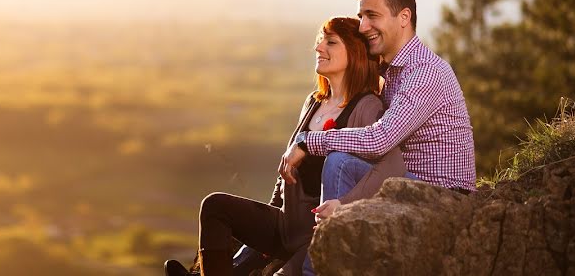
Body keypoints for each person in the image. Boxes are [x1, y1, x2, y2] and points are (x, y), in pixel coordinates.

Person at [165, 16, 405, 276]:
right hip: (286, 222)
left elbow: (387, 170)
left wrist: (343, 204)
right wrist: (259, 233)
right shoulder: (313, 103)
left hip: (314, 231)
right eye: (319, 40)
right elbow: (286, 177)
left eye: (331, 42)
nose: (319, 47)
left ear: (356, 53)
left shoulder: (367, 107)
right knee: (214, 207)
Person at [278, 0, 476, 275]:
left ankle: (313, 269)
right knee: (342, 163)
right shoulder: (391, 71)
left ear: (404, 18)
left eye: (372, 16)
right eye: (361, 16)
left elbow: (379, 140)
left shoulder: (425, 73)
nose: (362, 27)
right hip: (406, 183)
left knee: (340, 163)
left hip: (441, 194)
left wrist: (309, 141)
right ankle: (314, 250)